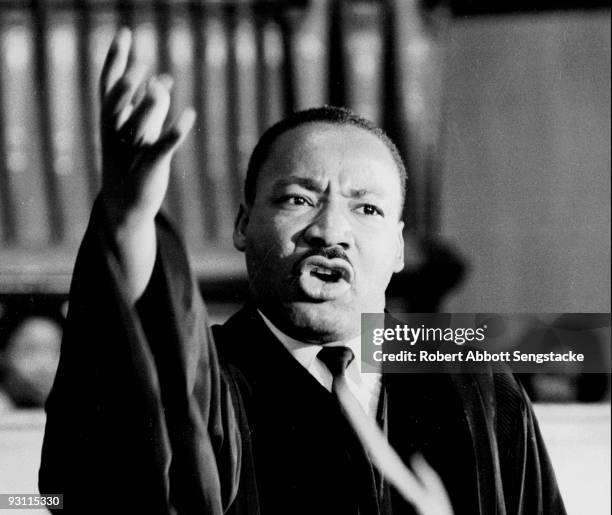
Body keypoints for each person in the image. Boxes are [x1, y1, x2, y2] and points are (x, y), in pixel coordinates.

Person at [39, 28, 566, 515]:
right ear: (243, 224)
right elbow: (108, 447)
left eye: (367, 209)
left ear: (400, 248)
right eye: (298, 199)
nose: (330, 230)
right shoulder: (208, 388)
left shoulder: (475, 390)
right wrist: (128, 223)